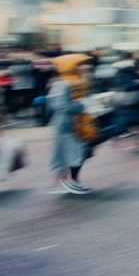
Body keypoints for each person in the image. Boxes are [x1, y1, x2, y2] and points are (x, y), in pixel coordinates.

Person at [47, 53, 98, 194]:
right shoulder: (61, 84)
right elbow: (60, 106)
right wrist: (81, 105)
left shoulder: (80, 81)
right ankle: (70, 182)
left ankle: (67, 181)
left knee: (75, 154)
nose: (85, 67)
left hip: (80, 124)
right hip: (67, 125)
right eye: (80, 64)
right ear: (71, 67)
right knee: (72, 154)